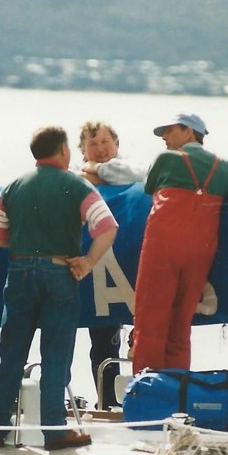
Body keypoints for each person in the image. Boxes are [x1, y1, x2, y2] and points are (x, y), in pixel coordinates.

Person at [0, 126, 118, 451]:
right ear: (62, 150)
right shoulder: (76, 184)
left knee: (11, 352)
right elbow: (106, 226)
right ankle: (54, 430)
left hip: (19, 272)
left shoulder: (14, 186)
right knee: (56, 354)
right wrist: (86, 261)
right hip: (60, 273)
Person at [131, 113, 228, 374]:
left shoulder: (166, 159)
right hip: (201, 250)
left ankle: (148, 393)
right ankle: (177, 393)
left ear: (190, 132)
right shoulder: (224, 166)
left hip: (163, 245)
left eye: (169, 131)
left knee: (150, 323)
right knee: (181, 326)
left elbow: (149, 186)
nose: (164, 138)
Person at [77, 121, 146, 409]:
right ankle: (107, 402)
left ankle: (146, 399)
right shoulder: (74, 177)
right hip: (98, 268)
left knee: (142, 339)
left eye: (106, 142)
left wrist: (96, 172)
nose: (101, 149)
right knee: (102, 340)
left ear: (116, 144)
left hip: (133, 261)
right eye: (93, 144)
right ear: (82, 150)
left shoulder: (131, 169)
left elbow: (138, 174)